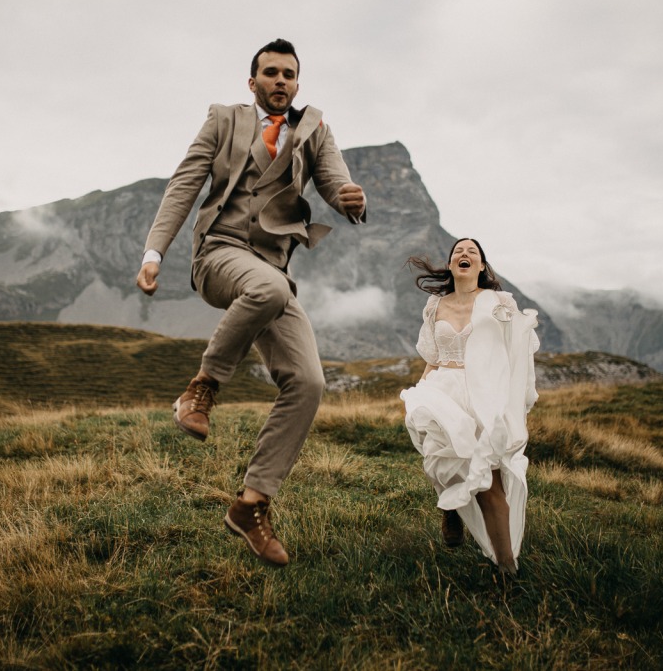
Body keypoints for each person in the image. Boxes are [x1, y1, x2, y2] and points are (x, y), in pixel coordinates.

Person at [135, 38, 367, 568]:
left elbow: (337, 185)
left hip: (273, 271)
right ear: (253, 81)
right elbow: (183, 185)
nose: (281, 81)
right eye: (271, 73)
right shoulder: (223, 119)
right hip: (219, 254)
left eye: (289, 74)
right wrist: (154, 254)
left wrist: (355, 199)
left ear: (298, 83)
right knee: (268, 289)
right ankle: (203, 387)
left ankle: (252, 504)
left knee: (309, 383)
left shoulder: (316, 130)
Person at [400, 238, 539, 576]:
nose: (464, 254)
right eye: (458, 251)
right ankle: (452, 508)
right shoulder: (434, 306)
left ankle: (507, 567)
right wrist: (420, 392)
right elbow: (432, 358)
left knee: (491, 482)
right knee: (442, 458)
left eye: (472, 252)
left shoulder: (499, 302)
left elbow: (515, 352)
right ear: (451, 266)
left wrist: (512, 402)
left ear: (481, 267)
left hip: (484, 391)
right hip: (443, 389)